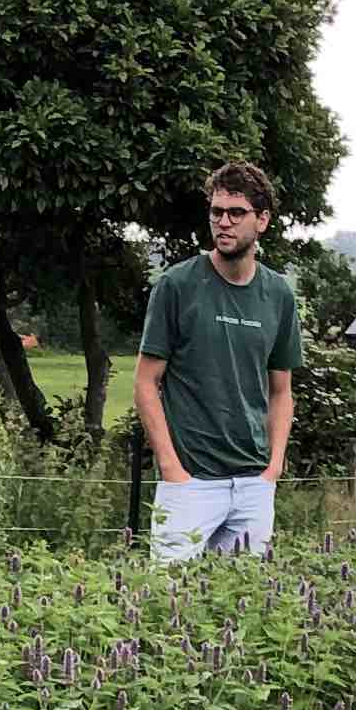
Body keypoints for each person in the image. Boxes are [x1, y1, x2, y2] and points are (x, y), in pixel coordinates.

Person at [135, 158, 301, 562]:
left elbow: (282, 391)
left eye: (236, 213)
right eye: (216, 212)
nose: (223, 222)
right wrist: (172, 469)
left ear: (262, 221)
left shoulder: (278, 294)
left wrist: (273, 468)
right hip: (190, 484)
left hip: (253, 485)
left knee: (243, 609)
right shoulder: (178, 285)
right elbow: (144, 383)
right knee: (167, 607)